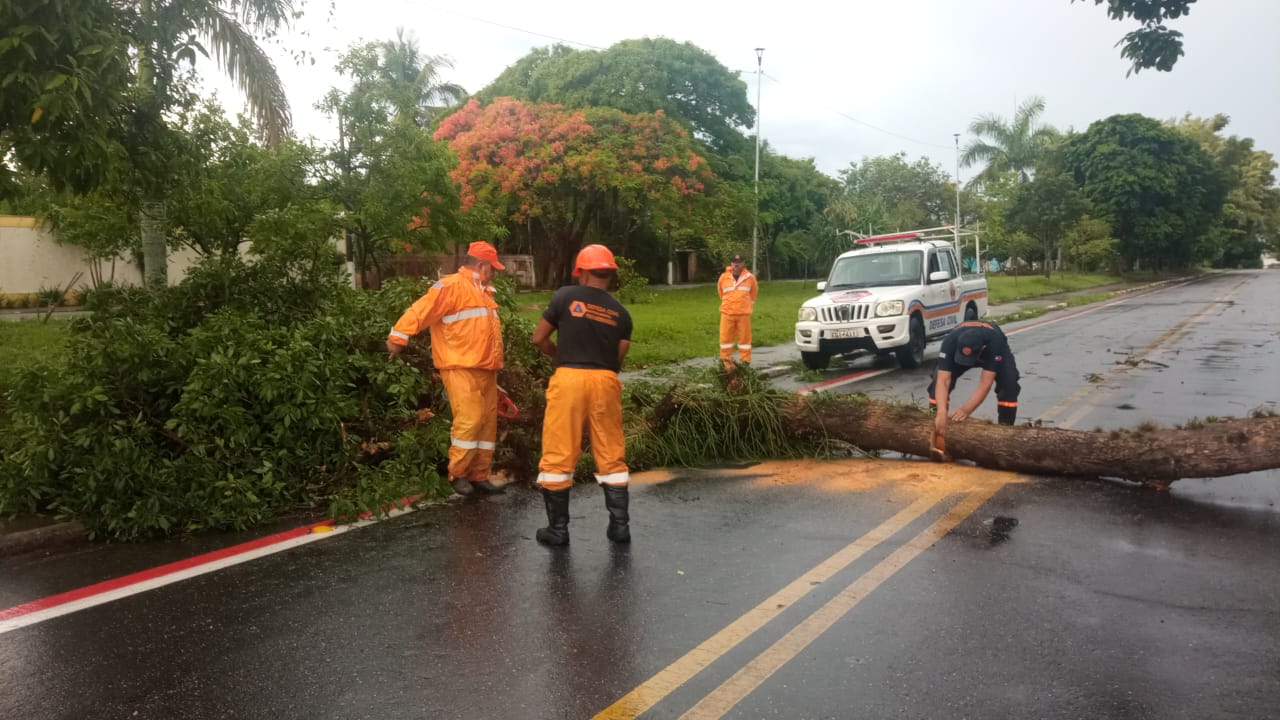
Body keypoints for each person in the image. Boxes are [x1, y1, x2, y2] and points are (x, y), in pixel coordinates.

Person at [530, 244, 634, 546]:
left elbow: (539, 338)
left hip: (569, 379)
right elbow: (619, 357)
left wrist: (559, 356)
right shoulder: (621, 313)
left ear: (582, 272)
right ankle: (619, 527)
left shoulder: (564, 296)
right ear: (610, 273)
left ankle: (558, 530)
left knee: (559, 452)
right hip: (605, 380)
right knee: (611, 452)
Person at [387, 241, 506, 497]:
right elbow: (421, 310)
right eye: (493, 268)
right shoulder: (451, 287)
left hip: (486, 369)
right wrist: (398, 338)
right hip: (460, 367)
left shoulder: (484, 293)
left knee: (486, 425)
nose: (495, 273)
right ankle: (459, 473)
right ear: (482, 265)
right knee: (470, 420)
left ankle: (479, 475)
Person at [927, 319, 1021, 449]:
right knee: (935, 383)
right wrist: (941, 413)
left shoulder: (995, 343)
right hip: (961, 341)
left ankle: (1005, 432)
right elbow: (943, 380)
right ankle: (935, 425)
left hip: (992, 351)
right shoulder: (949, 341)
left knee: (1009, 385)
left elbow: (985, 383)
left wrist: (966, 410)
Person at [717, 252, 758, 369]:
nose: (737, 265)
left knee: (745, 340)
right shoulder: (723, 278)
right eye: (735, 263)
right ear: (731, 264)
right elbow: (721, 293)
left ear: (743, 264)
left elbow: (753, 294)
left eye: (739, 263)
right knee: (725, 339)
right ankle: (726, 363)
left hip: (743, 314)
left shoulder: (750, 278)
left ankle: (745, 363)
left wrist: (746, 305)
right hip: (727, 313)